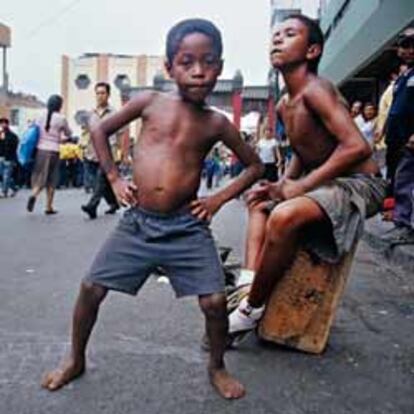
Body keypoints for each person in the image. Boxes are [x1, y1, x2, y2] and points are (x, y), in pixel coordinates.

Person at [41, 18, 263, 399]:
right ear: (169, 67)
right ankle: (75, 358)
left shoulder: (216, 123)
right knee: (91, 288)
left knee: (213, 302)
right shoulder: (149, 103)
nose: (198, 72)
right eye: (187, 61)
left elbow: (256, 166)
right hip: (139, 223)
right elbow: (98, 129)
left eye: (208, 62)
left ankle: (217, 366)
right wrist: (113, 178)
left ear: (220, 68)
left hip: (186, 227)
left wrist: (217, 199)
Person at [228, 15, 385, 336]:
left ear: (312, 50)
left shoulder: (317, 90)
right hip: (326, 181)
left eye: (289, 34)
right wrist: (282, 184)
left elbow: (356, 147)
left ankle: (250, 310)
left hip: (361, 185)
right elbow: (303, 148)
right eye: (275, 35)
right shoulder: (286, 103)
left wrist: (301, 186)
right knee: (259, 202)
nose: (277, 40)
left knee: (284, 216)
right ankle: (248, 282)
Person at [381, 29, 414, 244]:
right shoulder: (405, 77)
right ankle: (401, 222)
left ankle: (406, 226)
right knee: (398, 180)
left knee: (406, 181)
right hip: (397, 139)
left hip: (409, 139)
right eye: (404, 45)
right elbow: (395, 107)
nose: (408, 50)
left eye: (412, 45)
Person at [81, 82, 126, 219]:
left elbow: (121, 133)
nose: (100, 96)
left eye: (103, 93)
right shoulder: (91, 114)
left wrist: (122, 153)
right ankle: (113, 203)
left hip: (109, 151)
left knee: (101, 179)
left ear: (108, 95)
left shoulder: (115, 114)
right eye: (98, 93)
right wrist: (82, 147)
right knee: (100, 182)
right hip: (92, 151)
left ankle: (92, 206)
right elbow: (86, 132)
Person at [27, 95, 71, 214]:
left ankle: (34, 194)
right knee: (52, 179)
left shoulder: (40, 116)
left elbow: (32, 128)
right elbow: (68, 132)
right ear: (59, 105)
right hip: (54, 151)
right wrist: (62, 137)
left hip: (40, 151)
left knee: (40, 176)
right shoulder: (61, 118)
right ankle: (48, 206)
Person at [0, 117, 19, 198]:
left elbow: (14, 147)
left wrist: (4, 140)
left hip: (9, 158)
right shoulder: (0, 134)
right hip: (1, 158)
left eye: (4, 123)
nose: (3, 124)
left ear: (7, 124)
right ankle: (14, 188)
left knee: (6, 176)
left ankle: (4, 192)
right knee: (3, 175)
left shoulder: (13, 135)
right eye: (1, 123)